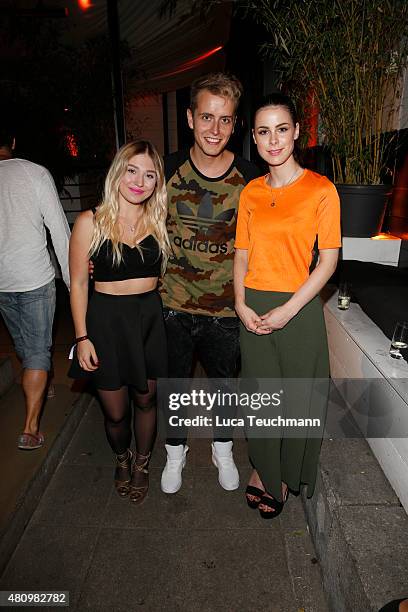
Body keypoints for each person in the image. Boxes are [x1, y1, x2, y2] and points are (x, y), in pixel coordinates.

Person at [234, 93, 341, 518]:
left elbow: (329, 260)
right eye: (263, 131)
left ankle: (285, 472)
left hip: (299, 306)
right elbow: (241, 253)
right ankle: (264, 467)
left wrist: (289, 310)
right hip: (253, 304)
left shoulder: (321, 190)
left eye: (282, 129)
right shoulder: (250, 193)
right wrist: (239, 302)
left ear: (297, 132)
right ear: (254, 139)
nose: (273, 139)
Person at [160, 72, 260, 494]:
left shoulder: (251, 178)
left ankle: (223, 450)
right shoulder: (164, 169)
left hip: (226, 310)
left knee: (224, 387)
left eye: (225, 120)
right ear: (190, 118)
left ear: (235, 124)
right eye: (206, 117)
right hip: (172, 304)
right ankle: (175, 454)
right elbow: (129, 219)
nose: (214, 129)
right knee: (175, 387)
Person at [69, 140, 170, 504]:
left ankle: (142, 464)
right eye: (132, 171)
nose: (139, 181)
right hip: (105, 322)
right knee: (115, 411)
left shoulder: (160, 221)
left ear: (157, 182)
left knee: (147, 401)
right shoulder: (90, 221)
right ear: (118, 172)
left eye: (149, 175)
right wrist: (82, 337)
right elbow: (79, 282)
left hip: (148, 320)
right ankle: (122, 457)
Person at [0, 128, 70, 450]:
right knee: (37, 350)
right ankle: (30, 427)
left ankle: (43, 380)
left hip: (2, 282)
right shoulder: (34, 173)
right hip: (35, 279)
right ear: (13, 142)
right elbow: (59, 229)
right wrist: (74, 284)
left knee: (25, 345)